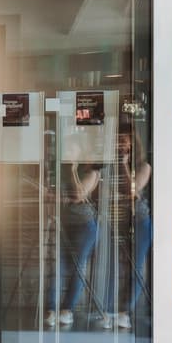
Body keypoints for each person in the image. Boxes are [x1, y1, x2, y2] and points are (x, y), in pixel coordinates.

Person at [49, 155, 101, 329]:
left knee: (77, 267)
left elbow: (78, 194)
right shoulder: (67, 171)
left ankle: (67, 310)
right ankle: (51, 309)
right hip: (66, 224)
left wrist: (72, 171)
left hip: (84, 226)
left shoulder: (93, 172)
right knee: (58, 266)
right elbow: (59, 195)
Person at [112, 124, 152, 331]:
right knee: (114, 264)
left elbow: (132, 192)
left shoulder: (144, 166)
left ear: (132, 142)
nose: (120, 143)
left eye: (124, 139)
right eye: (117, 139)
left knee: (135, 267)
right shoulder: (109, 164)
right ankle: (109, 310)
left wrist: (123, 164)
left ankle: (125, 312)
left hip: (139, 222)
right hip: (116, 219)